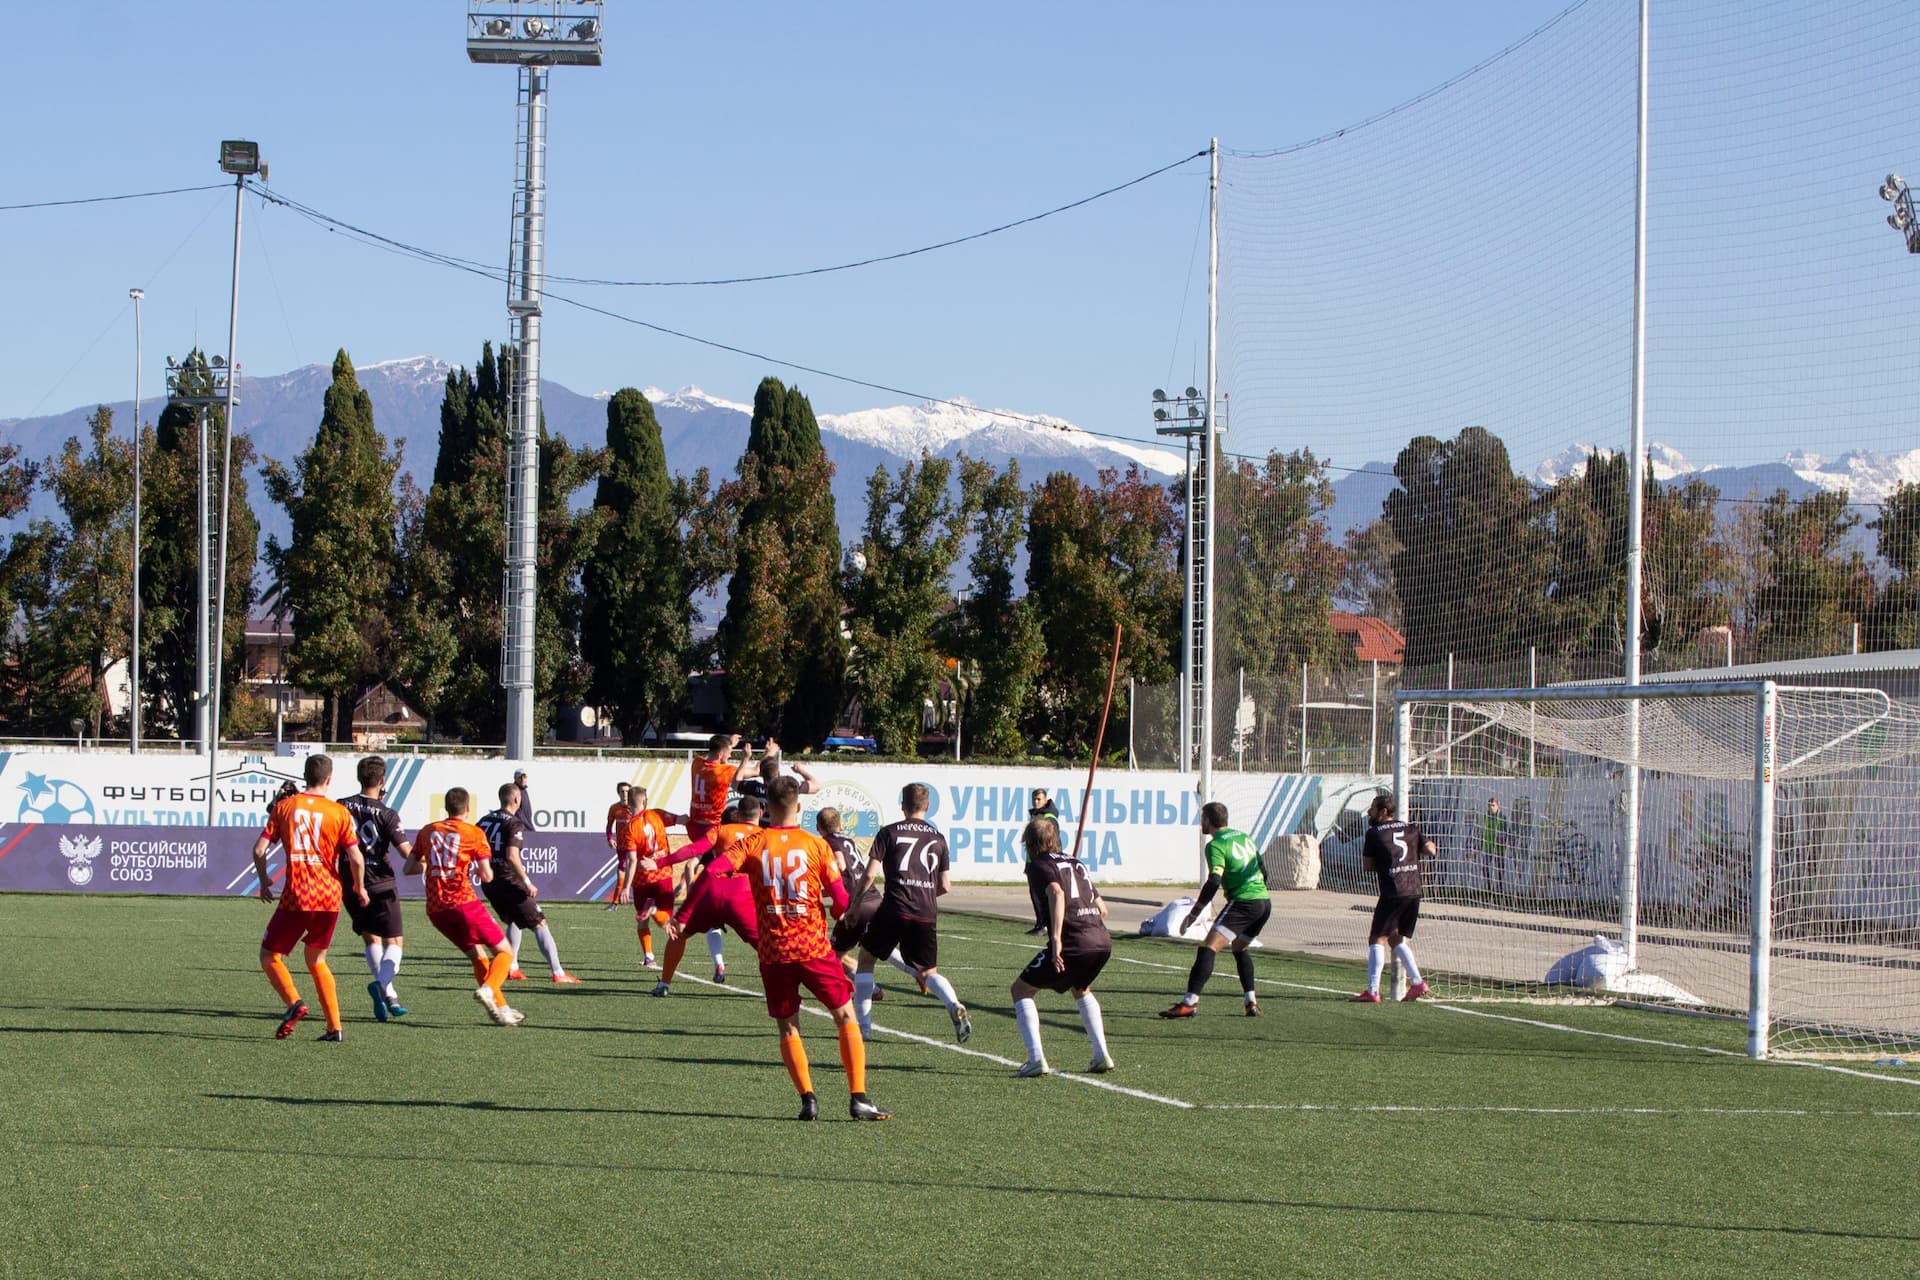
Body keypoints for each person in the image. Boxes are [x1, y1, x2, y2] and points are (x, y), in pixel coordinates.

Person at [677, 776, 888, 1121]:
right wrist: (840, 910)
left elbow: (712, 872)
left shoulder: (754, 842)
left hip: (774, 951)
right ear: (799, 807)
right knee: (845, 1016)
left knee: (789, 1027)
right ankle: (859, 1098)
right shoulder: (816, 845)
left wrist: (685, 914)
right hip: (813, 948)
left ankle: (808, 1099)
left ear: (765, 809)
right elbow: (840, 902)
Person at [251, 754, 364, 1042]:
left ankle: (294, 1003)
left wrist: (264, 880)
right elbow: (355, 858)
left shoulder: (285, 807)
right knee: (317, 960)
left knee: (269, 955)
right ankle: (334, 1027)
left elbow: (259, 850)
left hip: (297, 895)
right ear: (329, 779)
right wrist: (360, 888)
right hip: (329, 897)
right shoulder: (339, 812)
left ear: (305, 776)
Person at [853, 784, 971, 1044]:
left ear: (902, 806)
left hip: (894, 907)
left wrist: (854, 905)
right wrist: (924, 895)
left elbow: (870, 874)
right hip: (926, 912)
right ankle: (953, 1003)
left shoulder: (889, 832)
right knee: (928, 972)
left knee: (866, 960)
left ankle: (863, 1029)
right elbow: (945, 885)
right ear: (927, 806)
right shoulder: (938, 838)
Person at [406, 787, 523, 1026]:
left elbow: (409, 868)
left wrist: (434, 865)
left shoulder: (428, 831)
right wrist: (477, 869)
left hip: (436, 910)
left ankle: (502, 1009)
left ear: (446, 807)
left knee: (478, 957)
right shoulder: (474, 833)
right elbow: (487, 875)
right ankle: (489, 989)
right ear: (468, 808)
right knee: (505, 952)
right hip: (463, 903)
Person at [1011, 816, 1115, 1076]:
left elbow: (1057, 893)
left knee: (1021, 990)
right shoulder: (1076, 862)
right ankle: (1101, 1054)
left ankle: (1036, 1059)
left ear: (1030, 843)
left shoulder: (1039, 864)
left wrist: (1057, 938)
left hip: (1074, 941)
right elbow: (1102, 909)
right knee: (1081, 989)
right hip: (1101, 940)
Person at [1160, 801, 1272, 1019]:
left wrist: (1195, 912)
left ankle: (1189, 1003)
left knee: (1208, 948)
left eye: (1202, 819)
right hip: (1264, 903)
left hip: (1243, 903)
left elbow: (1214, 881)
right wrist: (1257, 892)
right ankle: (1251, 1002)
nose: (1200, 823)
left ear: (1208, 820)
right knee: (1239, 948)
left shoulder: (1216, 845)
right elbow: (1263, 869)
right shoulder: (1244, 837)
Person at [641, 797, 760, 990]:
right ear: (760, 813)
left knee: (679, 935)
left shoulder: (721, 830)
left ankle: (664, 984)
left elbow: (692, 850)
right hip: (741, 895)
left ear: (738, 814)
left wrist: (660, 863)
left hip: (711, 892)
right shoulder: (764, 835)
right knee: (766, 946)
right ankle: (783, 992)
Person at [478, 782, 579, 984]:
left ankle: (511, 967)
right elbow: (512, 856)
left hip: (489, 882)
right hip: (508, 881)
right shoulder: (514, 823)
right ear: (517, 799)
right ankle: (558, 972)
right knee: (539, 922)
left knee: (515, 920)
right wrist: (527, 882)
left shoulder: (484, 820)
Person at [339, 756, 412, 1022]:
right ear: (382, 780)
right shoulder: (388, 814)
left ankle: (389, 995)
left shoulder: (340, 806)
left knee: (371, 939)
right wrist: (427, 858)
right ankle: (382, 986)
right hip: (380, 882)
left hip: (349, 881)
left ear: (359, 777)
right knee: (394, 942)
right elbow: (406, 852)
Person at [1351, 793, 1435, 1003]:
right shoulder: (1411, 829)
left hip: (1394, 890)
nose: (1369, 812)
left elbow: (1368, 866)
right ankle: (1418, 983)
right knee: (1395, 938)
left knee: (1377, 938)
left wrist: (1387, 862)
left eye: (1372, 808)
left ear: (1383, 812)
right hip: (1414, 890)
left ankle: (1373, 991)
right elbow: (1430, 850)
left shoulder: (1374, 833)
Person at [625, 785, 694, 973]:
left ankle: (649, 957)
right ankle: (655, 910)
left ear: (629, 803)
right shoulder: (658, 815)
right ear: (644, 800)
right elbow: (683, 819)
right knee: (667, 918)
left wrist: (625, 886)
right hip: (662, 873)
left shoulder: (630, 827)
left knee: (642, 920)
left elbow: (631, 860)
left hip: (641, 878)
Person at [688, 733, 750, 844]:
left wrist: (728, 746)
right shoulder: (725, 771)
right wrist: (746, 758)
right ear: (720, 755)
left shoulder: (696, 762)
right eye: (729, 753)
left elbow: (713, 758)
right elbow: (751, 772)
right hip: (712, 828)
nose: (730, 756)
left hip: (693, 827)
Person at [1024, 788, 1061, 935]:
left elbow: (1054, 841)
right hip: (1033, 861)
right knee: (1035, 893)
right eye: (1034, 799)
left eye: (1039, 799)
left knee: (1043, 894)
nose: (1036, 802)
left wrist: (1051, 861)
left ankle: (1045, 924)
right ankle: (1040, 922)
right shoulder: (1036, 815)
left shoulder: (1048, 817)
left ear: (1045, 800)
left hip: (1044, 862)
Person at [604, 782, 635, 911]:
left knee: (638, 873)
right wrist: (610, 838)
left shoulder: (635, 808)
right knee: (621, 871)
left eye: (627, 791)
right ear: (618, 793)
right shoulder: (614, 808)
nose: (625, 794)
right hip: (621, 846)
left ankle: (648, 901)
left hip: (635, 846)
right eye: (622, 791)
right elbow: (609, 826)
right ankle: (615, 903)